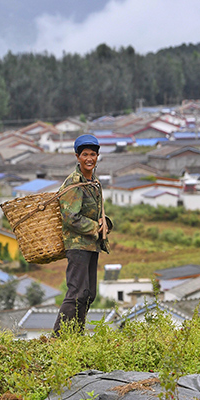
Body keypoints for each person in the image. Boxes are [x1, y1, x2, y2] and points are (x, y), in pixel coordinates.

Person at [53, 135, 113, 336]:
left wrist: (105, 222)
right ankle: (58, 336)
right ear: (77, 156)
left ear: (97, 156)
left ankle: (76, 335)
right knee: (76, 292)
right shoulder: (74, 182)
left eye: (93, 154)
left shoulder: (93, 182)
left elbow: (93, 212)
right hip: (77, 245)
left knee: (88, 294)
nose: (90, 158)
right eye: (85, 154)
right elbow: (70, 217)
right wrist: (96, 227)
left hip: (90, 245)